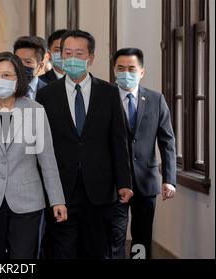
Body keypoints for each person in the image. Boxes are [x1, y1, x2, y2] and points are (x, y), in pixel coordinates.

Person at [0, 52, 67, 259]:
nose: (0, 80)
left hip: (27, 199)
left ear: (18, 79)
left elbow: (47, 160)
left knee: (23, 257)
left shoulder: (36, 110)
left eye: (7, 75)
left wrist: (57, 200)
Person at [37, 30, 133, 259]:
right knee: (63, 251)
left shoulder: (109, 93)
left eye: (79, 53)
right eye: (66, 52)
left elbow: (118, 141)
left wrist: (124, 182)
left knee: (97, 250)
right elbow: (41, 146)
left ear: (90, 58)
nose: (71, 58)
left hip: (100, 189)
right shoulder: (46, 95)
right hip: (61, 189)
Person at [111, 48, 177, 259]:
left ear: (142, 72)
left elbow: (167, 140)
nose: (126, 73)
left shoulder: (156, 99)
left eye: (131, 68)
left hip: (145, 182)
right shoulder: (104, 97)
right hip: (113, 181)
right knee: (115, 235)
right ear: (114, 70)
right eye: (121, 68)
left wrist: (169, 179)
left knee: (142, 237)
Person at [13, 36, 47, 100]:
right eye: (18, 60)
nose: (21, 66)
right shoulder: (6, 89)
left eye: (28, 62)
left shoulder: (50, 91)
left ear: (40, 66)